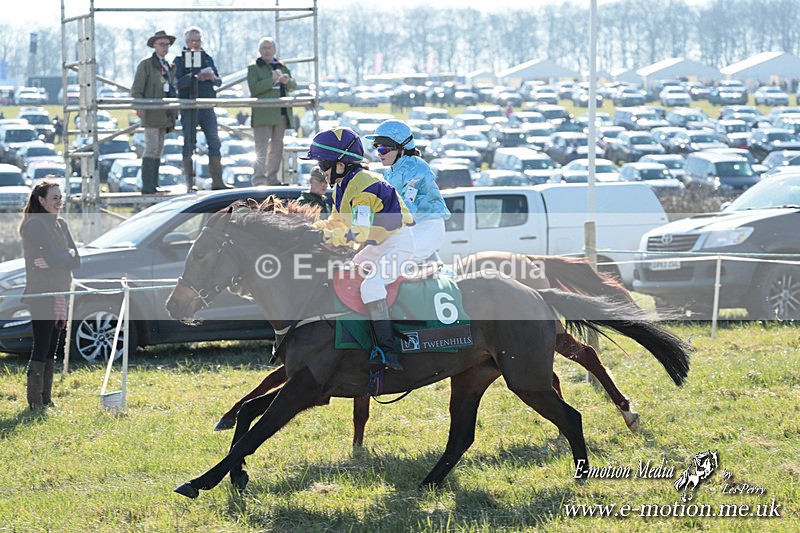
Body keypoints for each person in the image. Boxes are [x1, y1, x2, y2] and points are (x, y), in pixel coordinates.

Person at [300, 128, 415, 373]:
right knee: (345, 275)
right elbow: (336, 223)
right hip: (377, 246)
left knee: (371, 286)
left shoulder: (364, 186)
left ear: (340, 164)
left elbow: (358, 233)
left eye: (323, 163)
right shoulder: (343, 186)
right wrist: (307, 229)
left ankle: (388, 351)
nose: (320, 169)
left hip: (397, 243)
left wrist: (327, 235)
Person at [19, 180, 80, 410]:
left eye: (60, 197)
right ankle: (35, 400)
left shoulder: (61, 224)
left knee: (53, 346)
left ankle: (47, 398)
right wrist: (66, 256)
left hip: (60, 291)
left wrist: (62, 257)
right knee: (42, 344)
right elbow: (61, 258)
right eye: (54, 197)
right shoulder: (35, 225)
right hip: (41, 292)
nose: (59, 202)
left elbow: (77, 260)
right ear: (41, 200)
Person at [367, 119, 450, 263]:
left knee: (390, 265)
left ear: (402, 148)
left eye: (383, 149)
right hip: (411, 229)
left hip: (427, 227)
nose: (379, 153)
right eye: (376, 148)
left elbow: (407, 205)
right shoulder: (389, 173)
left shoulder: (416, 167)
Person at [172, 26, 229, 190]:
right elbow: (177, 83)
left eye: (198, 40)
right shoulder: (179, 60)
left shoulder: (207, 58)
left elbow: (218, 81)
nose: (195, 44)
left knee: (214, 142)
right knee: (189, 143)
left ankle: (217, 182)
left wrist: (211, 77)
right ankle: (190, 183)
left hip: (207, 106)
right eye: (192, 41)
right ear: (186, 42)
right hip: (189, 107)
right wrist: (195, 77)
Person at [131, 30, 178, 194]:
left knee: (158, 149)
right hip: (151, 113)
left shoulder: (169, 66)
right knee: (151, 148)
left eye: (167, 44)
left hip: (165, 114)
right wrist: (139, 106)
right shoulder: (146, 65)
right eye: (162, 44)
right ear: (154, 46)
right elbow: (137, 89)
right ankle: (147, 185)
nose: (165, 47)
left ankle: (154, 184)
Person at [247, 37, 297, 186]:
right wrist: (272, 80)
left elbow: (293, 85)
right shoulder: (254, 67)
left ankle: (272, 179)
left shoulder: (281, 66)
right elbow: (254, 89)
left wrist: (286, 81)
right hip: (263, 115)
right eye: (264, 48)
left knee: (277, 148)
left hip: (281, 114)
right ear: (259, 51)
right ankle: (259, 180)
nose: (267, 51)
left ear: (274, 50)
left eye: (269, 48)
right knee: (261, 148)